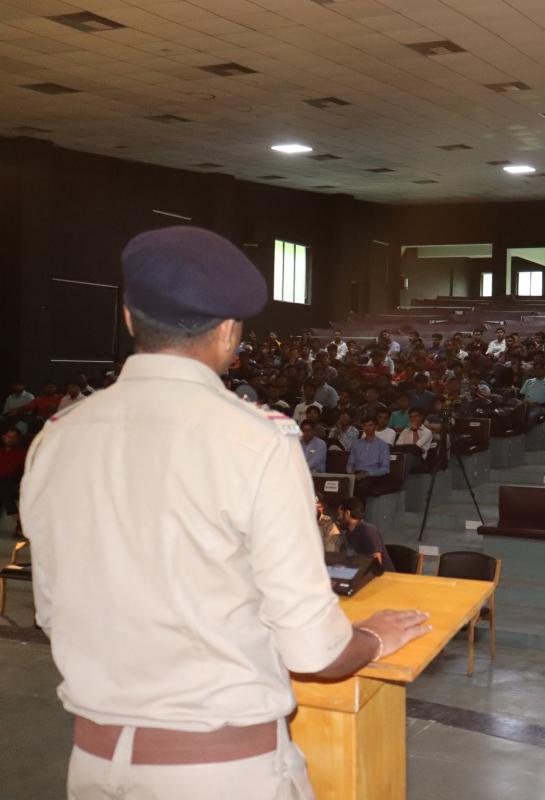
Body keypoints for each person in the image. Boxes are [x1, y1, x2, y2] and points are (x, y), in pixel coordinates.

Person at [20, 226, 430, 800]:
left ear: (130, 318)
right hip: (220, 771)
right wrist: (372, 638)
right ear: (229, 332)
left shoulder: (57, 438)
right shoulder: (256, 440)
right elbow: (314, 650)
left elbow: (51, 612)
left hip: (94, 762)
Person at [337, 497, 395, 571]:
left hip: (384, 576)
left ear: (347, 514)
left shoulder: (368, 530)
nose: (338, 518)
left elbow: (376, 563)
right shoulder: (347, 534)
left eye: (339, 514)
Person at [348, 418, 391, 496]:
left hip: (373, 475)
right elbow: (350, 463)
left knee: (361, 487)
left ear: (375, 427)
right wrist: (351, 474)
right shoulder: (356, 444)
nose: (367, 428)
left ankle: (359, 504)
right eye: (365, 425)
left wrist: (367, 473)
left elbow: (385, 469)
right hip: (356, 474)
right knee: (342, 485)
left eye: (370, 425)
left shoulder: (383, 445)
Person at [0, 427, 26, 536]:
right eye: (8, 436)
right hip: (4, 483)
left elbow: (10, 471)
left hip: (15, 483)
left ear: (17, 439)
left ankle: (20, 523)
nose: (9, 439)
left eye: (13, 437)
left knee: (2, 488)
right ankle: (20, 523)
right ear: (3, 437)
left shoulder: (21, 453)